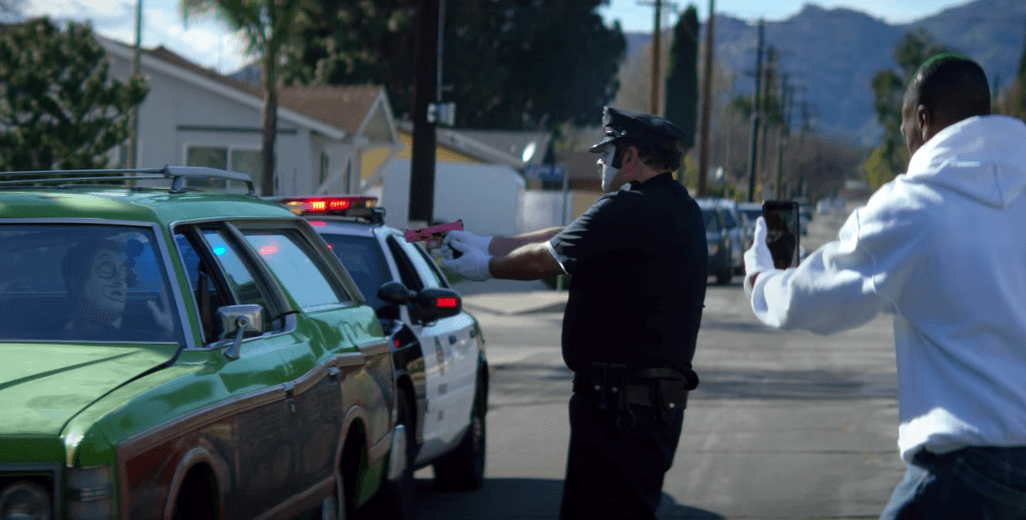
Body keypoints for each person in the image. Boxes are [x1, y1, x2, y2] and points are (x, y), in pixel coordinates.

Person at [742, 53, 1026, 519]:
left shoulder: (915, 204)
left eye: (904, 131)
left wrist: (762, 281)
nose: (907, 143)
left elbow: (818, 297)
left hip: (964, 469)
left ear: (923, 120)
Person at [440, 107, 708, 519]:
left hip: (620, 409)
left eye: (609, 151)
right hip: (646, 408)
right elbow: (568, 235)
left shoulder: (628, 208)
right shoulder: (675, 206)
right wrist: (488, 243)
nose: (601, 161)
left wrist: (481, 267)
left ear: (631, 156)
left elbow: (543, 260)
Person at [62, 237, 174, 339]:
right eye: (107, 268)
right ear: (76, 283)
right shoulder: (60, 338)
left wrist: (170, 330)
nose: (121, 280)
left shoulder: (141, 332)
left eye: (122, 269)